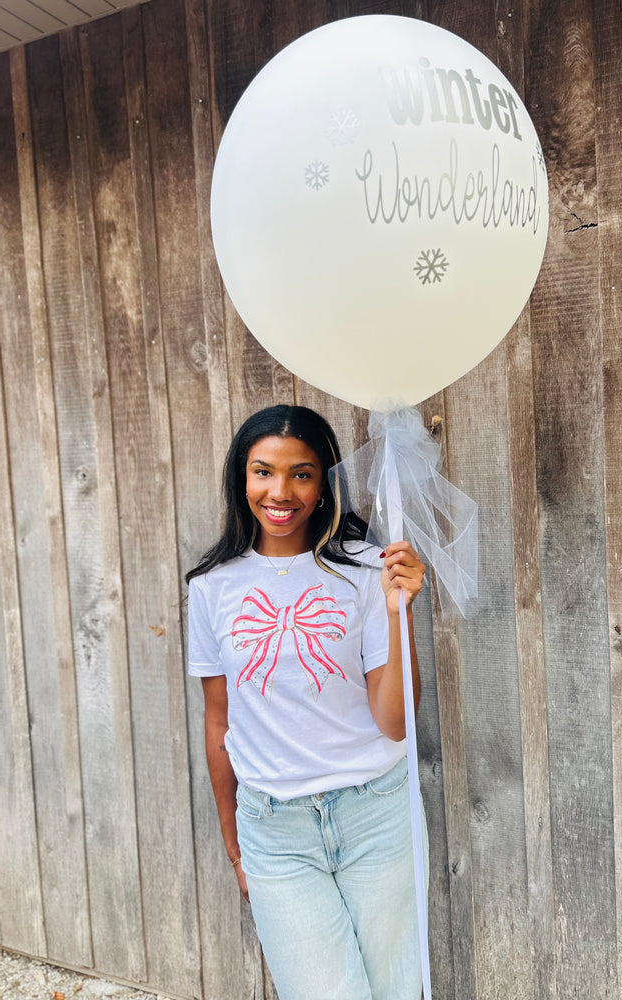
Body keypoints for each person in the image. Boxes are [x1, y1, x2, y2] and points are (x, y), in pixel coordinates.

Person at [186, 404, 428, 1000]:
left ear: (325, 484)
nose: (280, 491)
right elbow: (219, 723)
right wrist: (235, 846)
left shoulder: (368, 572)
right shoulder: (210, 589)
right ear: (241, 479)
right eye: (263, 471)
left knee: (396, 989)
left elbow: (394, 723)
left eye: (302, 473)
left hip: (375, 813)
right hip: (274, 828)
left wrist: (400, 615)